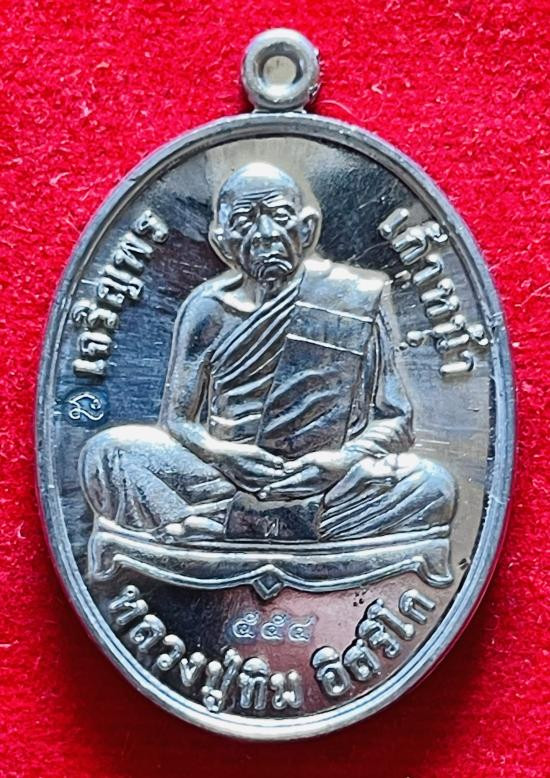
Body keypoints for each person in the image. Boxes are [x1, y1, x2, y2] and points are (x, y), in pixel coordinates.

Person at [80, 162, 456, 543]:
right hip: (226, 478)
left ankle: (222, 528)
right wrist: (222, 455)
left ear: (306, 228)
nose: (265, 234)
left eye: (279, 216)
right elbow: (177, 421)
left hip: (327, 484)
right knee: (109, 455)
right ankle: (264, 525)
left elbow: (397, 420)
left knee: (433, 485)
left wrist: (343, 460)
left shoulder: (351, 299)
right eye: (245, 221)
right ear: (222, 241)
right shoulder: (207, 310)